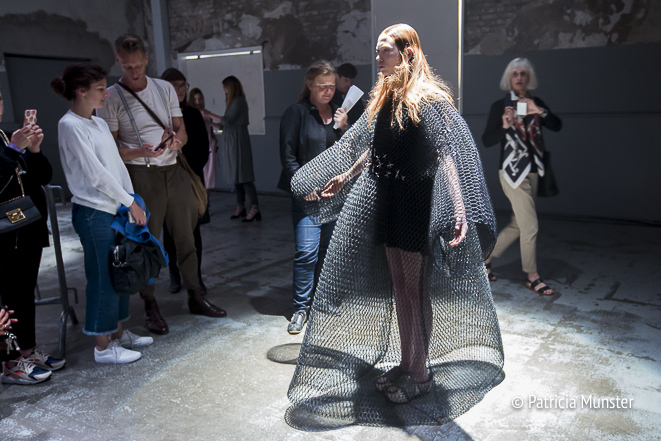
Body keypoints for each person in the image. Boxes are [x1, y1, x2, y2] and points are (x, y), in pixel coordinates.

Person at [285, 24, 503, 429]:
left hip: (414, 204)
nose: (378, 57)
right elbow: (372, 148)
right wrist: (345, 176)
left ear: (407, 53)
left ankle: (419, 375)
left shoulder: (428, 98)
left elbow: (446, 153)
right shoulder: (386, 96)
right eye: (379, 50)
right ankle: (407, 363)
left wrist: (458, 206)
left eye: (385, 50)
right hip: (389, 202)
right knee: (401, 287)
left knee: (414, 290)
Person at [97, 34, 226, 336]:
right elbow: (110, 149)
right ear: (118, 61)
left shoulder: (164, 88)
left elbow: (182, 130)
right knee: (147, 242)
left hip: (173, 169)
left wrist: (176, 141)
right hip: (141, 174)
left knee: (186, 237)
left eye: (138, 65)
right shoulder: (112, 97)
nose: (133, 72)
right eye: (127, 67)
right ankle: (150, 304)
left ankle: (195, 294)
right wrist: (139, 152)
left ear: (146, 59)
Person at [52, 63, 154, 363]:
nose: (105, 94)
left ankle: (117, 333)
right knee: (102, 277)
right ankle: (102, 345)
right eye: (100, 89)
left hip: (114, 209)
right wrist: (129, 202)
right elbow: (96, 175)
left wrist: (131, 200)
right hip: (93, 212)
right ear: (81, 91)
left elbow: (116, 167)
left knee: (120, 272)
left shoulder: (97, 123)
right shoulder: (70, 125)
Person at [482, 57, 562, 295]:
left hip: (535, 170)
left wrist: (541, 112)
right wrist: (505, 126)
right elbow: (487, 140)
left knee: (519, 224)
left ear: (529, 78)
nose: (519, 78)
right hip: (512, 172)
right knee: (530, 226)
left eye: (523, 74)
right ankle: (532, 276)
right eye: (514, 74)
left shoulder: (536, 102)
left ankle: (485, 260)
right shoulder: (501, 106)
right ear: (509, 78)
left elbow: (557, 125)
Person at [278, 61, 348, 334]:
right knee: (307, 253)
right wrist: (302, 186)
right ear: (309, 86)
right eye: (322, 87)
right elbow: (288, 156)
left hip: (333, 197)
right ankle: (301, 308)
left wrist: (344, 127)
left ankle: (321, 302)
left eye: (331, 86)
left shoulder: (339, 113)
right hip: (306, 197)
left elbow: (349, 154)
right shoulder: (296, 113)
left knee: (328, 254)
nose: (328, 91)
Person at [0, 87, 64, 384]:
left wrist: (34, 150)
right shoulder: (9, 143)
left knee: (24, 294)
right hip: (5, 236)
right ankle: (11, 362)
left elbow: (43, 177)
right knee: (8, 301)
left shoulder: (6, 137)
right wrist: (14, 151)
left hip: (26, 229)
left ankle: (27, 350)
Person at [160, 68, 209, 294]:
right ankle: (174, 274)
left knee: (193, 231)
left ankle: (195, 277)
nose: (180, 90)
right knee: (169, 230)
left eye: (183, 85)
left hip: (189, 178)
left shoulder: (192, 114)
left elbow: (202, 148)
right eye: (175, 86)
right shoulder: (159, 115)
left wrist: (191, 172)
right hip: (165, 179)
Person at [214, 76, 261, 222]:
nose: (224, 90)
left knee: (244, 176)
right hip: (233, 143)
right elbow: (225, 125)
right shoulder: (233, 102)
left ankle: (254, 208)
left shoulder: (239, 102)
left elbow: (227, 121)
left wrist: (208, 114)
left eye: (226, 87)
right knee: (237, 177)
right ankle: (240, 206)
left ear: (231, 88)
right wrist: (211, 124)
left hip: (238, 143)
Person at [189, 88, 218, 194]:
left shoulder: (206, 113)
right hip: (196, 149)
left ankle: (206, 203)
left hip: (209, 148)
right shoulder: (189, 114)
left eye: (199, 99)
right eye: (195, 99)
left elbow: (212, 129)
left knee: (208, 178)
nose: (197, 102)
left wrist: (214, 140)